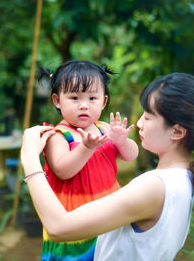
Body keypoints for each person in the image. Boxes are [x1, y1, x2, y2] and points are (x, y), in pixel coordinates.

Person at [21, 72, 194, 261]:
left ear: (177, 131)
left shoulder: (153, 186)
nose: (140, 123)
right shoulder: (184, 180)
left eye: (148, 116)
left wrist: (30, 159)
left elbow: (58, 227)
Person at [37, 60, 139, 261]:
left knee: (108, 253)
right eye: (74, 98)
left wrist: (123, 142)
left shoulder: (104, 128)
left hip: (109, 210)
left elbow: (131, 155)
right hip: (74, 216)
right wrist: (86, 148)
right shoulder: (58, 135)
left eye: (92, 98)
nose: (84, 105)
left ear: (103, 101)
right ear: (57, 100)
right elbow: (63, 170)